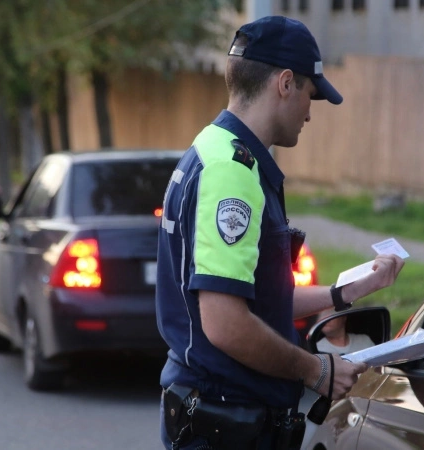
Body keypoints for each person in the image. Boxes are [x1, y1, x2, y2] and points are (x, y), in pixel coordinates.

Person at [156, 16, 404, 449]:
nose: (310, 112)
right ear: (285, 83)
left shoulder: (214, 149)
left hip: (221, 415)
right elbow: (227, 324)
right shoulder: (231, 175)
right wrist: (317, 370)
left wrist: (343, 292)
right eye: (311, 94)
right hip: (226, 422)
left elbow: (253, 298)